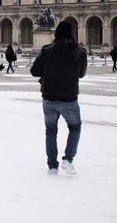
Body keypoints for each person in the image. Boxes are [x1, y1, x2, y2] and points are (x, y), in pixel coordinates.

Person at [30, 21, 87, 176]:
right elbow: (82, 74)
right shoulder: (81, 52)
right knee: (75, 128)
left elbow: (34, 71)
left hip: (49, 97)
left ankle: (52, 166)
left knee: (51, 131)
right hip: (69, 98)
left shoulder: (48, 50)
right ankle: (68, 160)